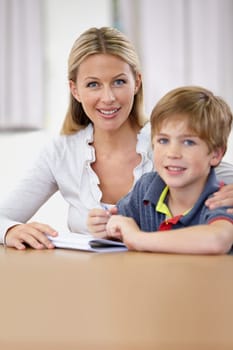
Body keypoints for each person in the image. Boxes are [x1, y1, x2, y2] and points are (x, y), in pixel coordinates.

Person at [0, 27, 233, 250]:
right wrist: (10, 230)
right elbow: (4, 215)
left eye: (119, 81)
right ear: (75, 90)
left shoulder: (165, 143)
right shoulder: (61, 152)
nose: (108, 97)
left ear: (137, 82)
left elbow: (214, 170)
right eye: (93, 84)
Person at [103, 86, 233, 254]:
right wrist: (104, 225)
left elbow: (217, 240)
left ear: (215, 154)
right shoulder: (146, 187)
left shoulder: (221, 199)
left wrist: (137, 238)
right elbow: (118, 222)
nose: (172, 153)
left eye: (188, 142)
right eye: (163, 140)